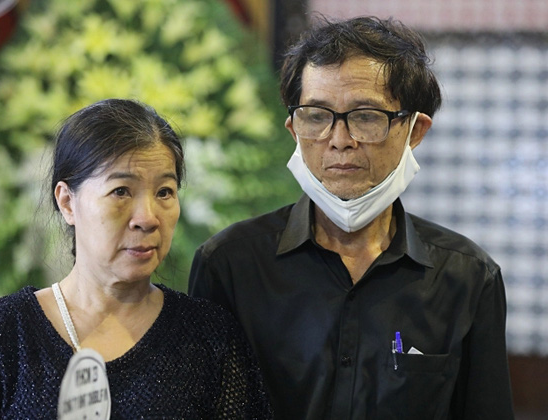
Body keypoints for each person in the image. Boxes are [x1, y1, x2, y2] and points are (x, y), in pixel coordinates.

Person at [188, 16, 514, 419]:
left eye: (366, 116)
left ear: (415, 130)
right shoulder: (228, 265)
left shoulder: (467, 277)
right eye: (316, 116)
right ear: (293, 129)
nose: (340, 140)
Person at [0, 99, 273, 418]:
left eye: (164, 192)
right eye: (121, 191)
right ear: (67, 202)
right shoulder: (0, 335)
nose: (147, 218)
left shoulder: (210, 339)